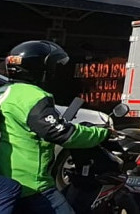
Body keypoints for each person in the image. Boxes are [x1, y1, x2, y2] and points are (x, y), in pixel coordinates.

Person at [0, 41, 110, 214]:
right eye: (54, 66)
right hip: (32, 185)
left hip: (8, 178)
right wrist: (102, 133)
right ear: (41, 68)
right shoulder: (32, 96)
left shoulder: (6, 91)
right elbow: (61, 133)